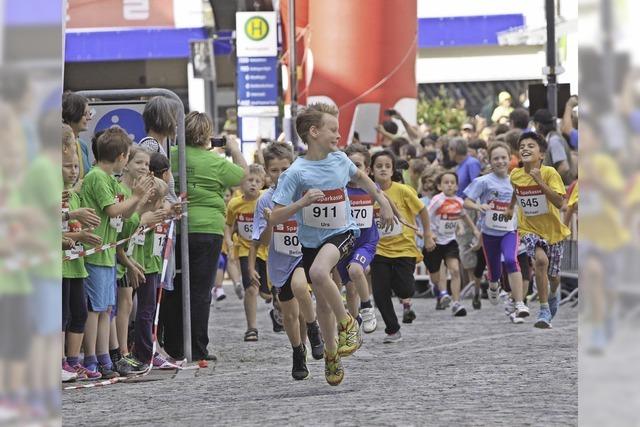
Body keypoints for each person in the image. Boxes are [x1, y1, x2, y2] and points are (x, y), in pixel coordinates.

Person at [269, 103, 394, 386]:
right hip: (311, 243)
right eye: (333, 129)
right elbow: (275, 217)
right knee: (322, 305)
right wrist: (301, 202)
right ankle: (331, 353)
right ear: (314, 132)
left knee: (317, 273)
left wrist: (383, 201)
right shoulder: (296, 172)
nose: (339, 136)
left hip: (343, 233)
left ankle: (349, 323)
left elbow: (362, 178)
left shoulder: (339, 160)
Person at [165, 111, 246, 366]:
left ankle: (175, 346)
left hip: (176, 228)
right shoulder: (215, 162)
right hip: (207, 229)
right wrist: (233, 149)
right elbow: (246, 177)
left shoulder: (172, 155)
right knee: (200, 291)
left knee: (175, 287)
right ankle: (198, 347)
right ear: (207, 135)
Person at [79, 127, 154, 378]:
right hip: (95, 252)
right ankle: (92, 358)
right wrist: (137, 196)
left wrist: (138, 200)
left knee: (105, 309)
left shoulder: (109, 180)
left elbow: (125, 215)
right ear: (122, 157)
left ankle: (103, 358)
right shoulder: (97, 177)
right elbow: (112, 211)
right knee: (96, 309)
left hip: (107, 254)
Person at [249, 141, 324, 379]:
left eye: (285, 169)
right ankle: (298, 352)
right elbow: (260, 239)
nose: (280, 175)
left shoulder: (304, 193)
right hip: (280, 261)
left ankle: (313, 329)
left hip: (304, 255)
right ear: (266, 171)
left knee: (302, 288)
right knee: (290, 313)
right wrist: (271, 223)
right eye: (274, 170)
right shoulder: (265, 201)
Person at [507, 132, 571, 328]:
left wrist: (539, 181)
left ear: (541, 154)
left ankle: (553, 293)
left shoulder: (550, 173)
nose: (525, 148)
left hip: (552, 231)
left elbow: (560, 203)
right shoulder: (515, 174)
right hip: (528, 228)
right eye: (522, 146)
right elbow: (516, 192)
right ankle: (543, 310)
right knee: (540, 261)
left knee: (553, 275)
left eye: (531, 146)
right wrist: (510, 207)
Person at [370, 149, 435, 339]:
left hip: (404, 247)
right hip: (379, 249)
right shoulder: (367, 193)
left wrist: (428, 234)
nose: (383, 169)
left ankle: (405, 300)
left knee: (405, 289)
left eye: (387, 166)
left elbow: (422, 211)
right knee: (380, 293)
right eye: (379, 166)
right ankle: (392, 328)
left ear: (392, 170)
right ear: (371, 170)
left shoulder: (403, 191)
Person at [463, 142, 530, 322]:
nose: (500, 161)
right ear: (490, 161)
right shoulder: (483, 181)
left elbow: (522, 206)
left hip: (509, 231)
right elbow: (466, 202)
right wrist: (479, 205)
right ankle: (493, 286)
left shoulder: (516, 180)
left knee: (510, 259)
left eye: (503, 158)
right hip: (490, 233)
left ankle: (519, 303)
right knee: (494, 271)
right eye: (496, 158)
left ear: (510, 159)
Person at [62, 125, 102, 381]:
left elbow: (76, 225)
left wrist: (85, 231)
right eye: (68, 166)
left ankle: (73, 361)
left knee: (79, 313)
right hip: (61, 265)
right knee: (61, 315)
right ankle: (61, 361)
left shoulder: (75, 196)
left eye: (76, 166)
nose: (74, 171)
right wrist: (79, 234)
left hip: (78, 265)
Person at [225, 164, 281, 340]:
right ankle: (252, 328)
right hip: (245, 249)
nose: (253, 184)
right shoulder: (235, 203)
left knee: (267, 293)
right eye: (250, 180)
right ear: (241, 182)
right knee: (251, 288)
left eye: (257, 181)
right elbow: (228, 224)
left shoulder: (266, 198)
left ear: (263, 183)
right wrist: (228, 239)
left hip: (266, 249)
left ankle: (278, 311)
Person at [337, 144, 380, 333]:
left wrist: (392, 213)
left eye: (358, 166)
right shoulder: (339, 190)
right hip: (343, 244)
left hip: (366, 242)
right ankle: (354, 324)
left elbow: (384, 199)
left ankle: (368, 307)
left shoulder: (370, 188)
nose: (353, 171)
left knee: (355, 271)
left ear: (367, 169)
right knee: (350, 288)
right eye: (349, 166)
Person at [426, 171, 481, 316]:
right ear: (439, 186)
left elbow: (464, 215)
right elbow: (426, 215)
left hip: (450, 241)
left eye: (452, 182)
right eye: (446, 182)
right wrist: (428, 234)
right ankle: (440, 291)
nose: (449, 185)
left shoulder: (459, 201)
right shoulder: (437, 200)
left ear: (457, 186)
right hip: (435, 241)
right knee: (436, 275)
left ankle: (456, 303)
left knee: (455, 270)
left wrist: (474, 229)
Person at [532, 109, 575, 185]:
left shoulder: (554, 140)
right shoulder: (553, 138)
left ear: (538, 125)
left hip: (563, 191)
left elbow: (564, 168)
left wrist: (550, 185)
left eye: (534, 125)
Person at [62, 91, 92, 178]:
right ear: (73, 113)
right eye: (85, 114)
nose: (89, 118)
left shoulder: (82, 145)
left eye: (90, 114)